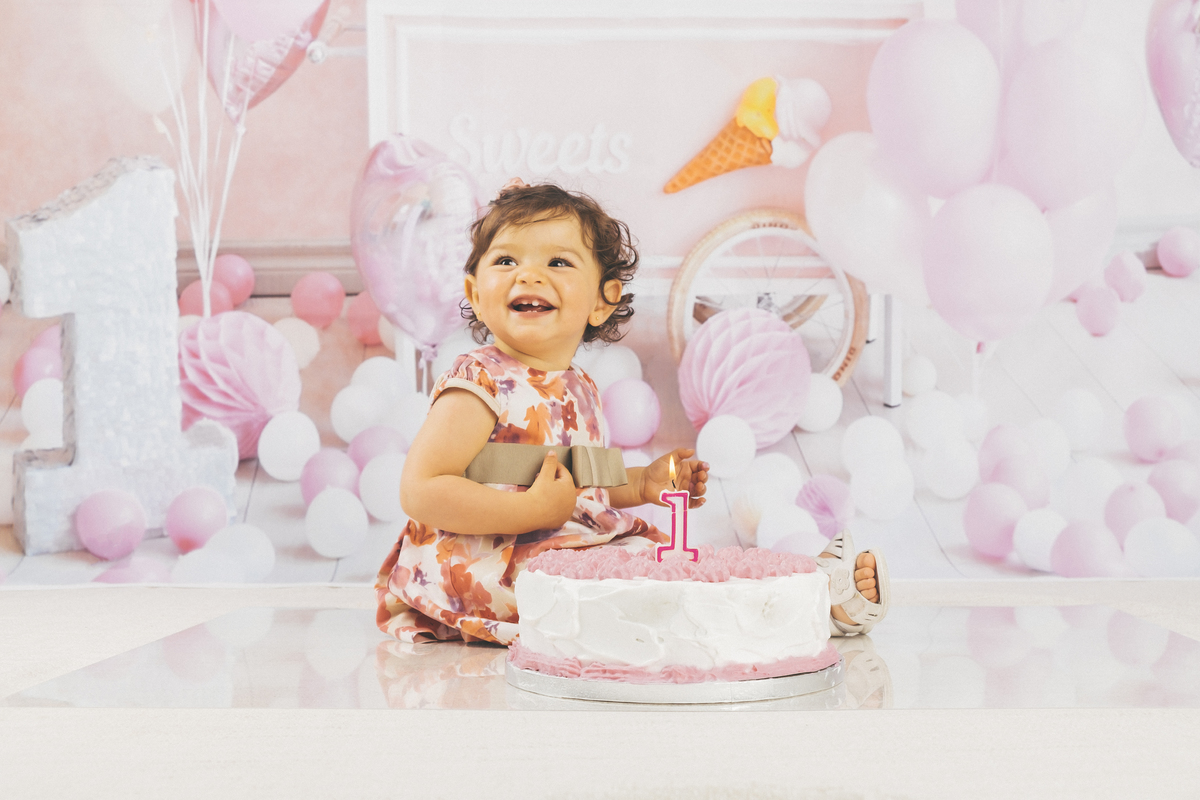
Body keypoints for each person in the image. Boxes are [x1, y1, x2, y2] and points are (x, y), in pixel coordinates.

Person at [375, 180, 885, 646]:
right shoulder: (479, 380)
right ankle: (795, 610)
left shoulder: (579, 387)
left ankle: (802, 593)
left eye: (558, 263)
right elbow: (421, 489)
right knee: (636, 593)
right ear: (474, 293)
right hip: (493, 566)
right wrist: (530, 513)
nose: (528, 274)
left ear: (602, 301)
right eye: (506, 260)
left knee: (671, 569)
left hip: (565, 551)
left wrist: (642, 483)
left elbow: (583, 483)